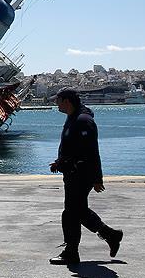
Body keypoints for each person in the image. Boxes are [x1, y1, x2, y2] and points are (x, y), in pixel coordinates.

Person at [48, 88, 123, 265]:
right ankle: (111, 235)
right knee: (78, 211)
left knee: (70, 214)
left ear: (67, 101)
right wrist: (60, 163)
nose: (55, 104)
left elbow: (91, 151)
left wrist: (98, 179)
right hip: (73, 173)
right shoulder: (73, 118)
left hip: (82, 174)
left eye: (57, 100)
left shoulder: (83, 121)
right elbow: (72, 148)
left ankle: (71, 252)